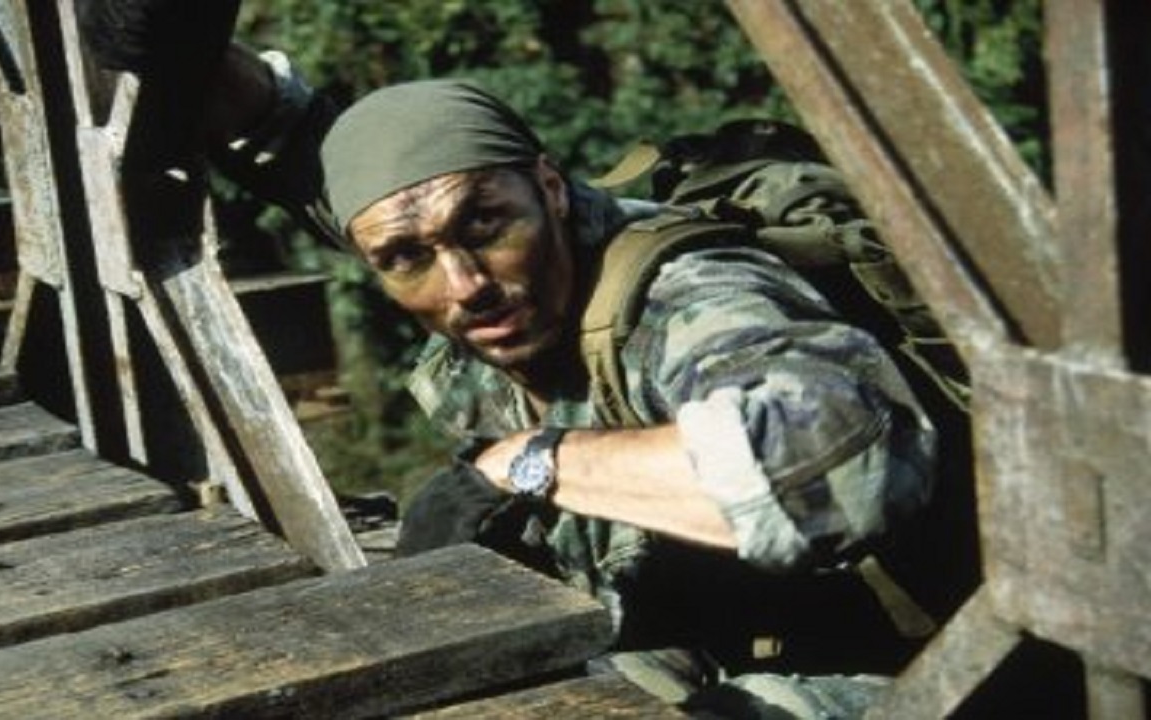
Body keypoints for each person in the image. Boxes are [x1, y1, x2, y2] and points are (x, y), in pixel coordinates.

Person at [82, 6, 945, 715]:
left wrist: (528, 462)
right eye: (404, 260)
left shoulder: (691, 294)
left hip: (915, 673)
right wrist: (183, 51)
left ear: (552, 187)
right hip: (718, 636)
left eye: (486, 226)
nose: (465, 286)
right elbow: (307, 145)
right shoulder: (440, 234)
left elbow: (835, 463)